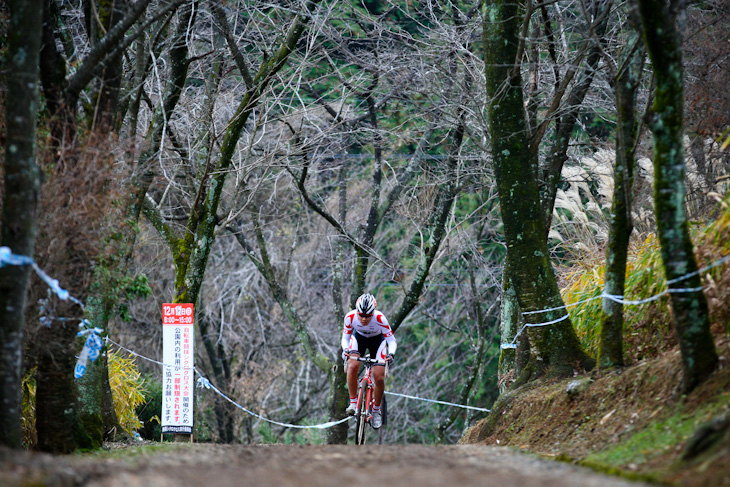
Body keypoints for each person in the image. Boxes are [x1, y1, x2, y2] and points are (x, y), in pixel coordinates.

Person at [341, 293, 396, 429]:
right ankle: (354, 403)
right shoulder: (350, 317)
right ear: (356, 312)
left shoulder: (380, 318)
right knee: (352, 366)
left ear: (373, 313)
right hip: (358, 339)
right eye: (361, 315)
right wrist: (346, 349)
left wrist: (391, 354)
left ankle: (376, 411)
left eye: (367, 316)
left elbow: (391, 341)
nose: (363, 319)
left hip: (377, 342)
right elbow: (345, 338)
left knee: (379, 378)